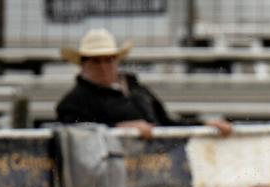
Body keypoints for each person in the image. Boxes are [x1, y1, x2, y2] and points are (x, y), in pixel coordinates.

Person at [55, 29, 233, 138]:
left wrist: (203, 125)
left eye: (108, 60)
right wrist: (119, 130)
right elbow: (77, 134)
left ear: (117, 61)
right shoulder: (73, 103)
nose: (103, 67)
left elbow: (166, 123)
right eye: (96, 61)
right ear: (83, 65)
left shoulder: (138, 90)